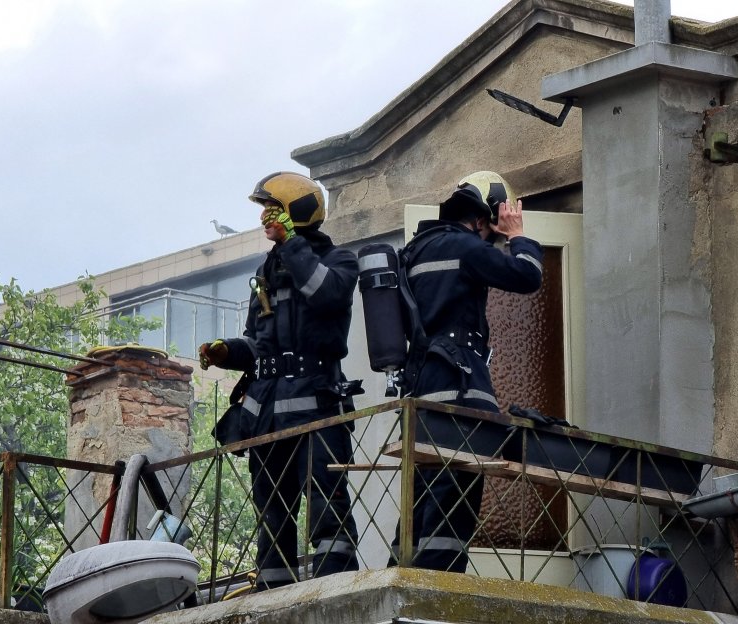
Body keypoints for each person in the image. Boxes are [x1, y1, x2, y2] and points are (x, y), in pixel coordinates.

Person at [199, 171, 361, 590]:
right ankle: (272, 589)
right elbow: (260, 344)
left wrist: (292, 245)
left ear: (296, 212)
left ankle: (334, 586)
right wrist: (227, 352)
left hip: (318, 409)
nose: (263, 218)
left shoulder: (338, 261)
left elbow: (327, 294)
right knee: (271, 509)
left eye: (272, 210)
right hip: (267, 414)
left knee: (326, 501)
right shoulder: (267, 270)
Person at [390, 170, 543, 573]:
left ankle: (399, 581)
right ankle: (437, 594)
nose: (491, 241)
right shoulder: (466, 247)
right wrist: (517, 235)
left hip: (420, 392)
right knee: (453, 501)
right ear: (481, 219)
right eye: (491, 231)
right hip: (459, 388)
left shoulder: (413, 252)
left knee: (420, 499)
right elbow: (527, 275)